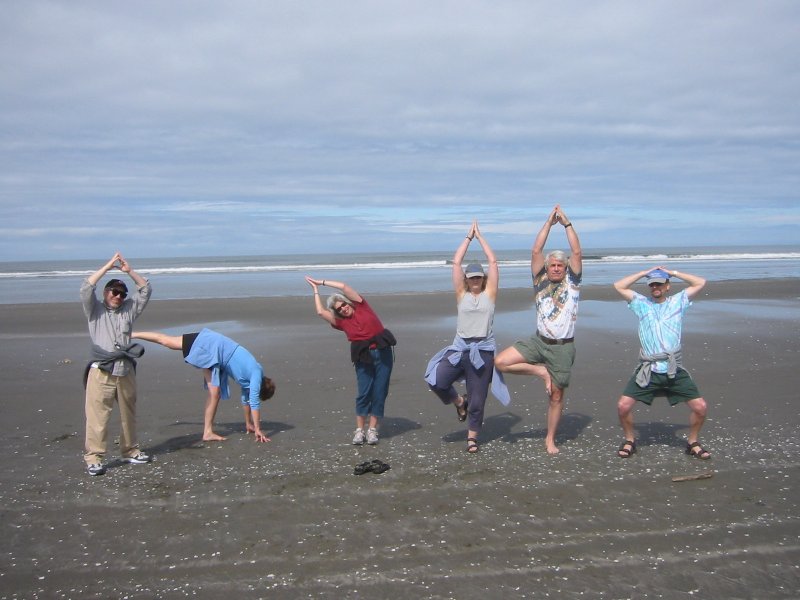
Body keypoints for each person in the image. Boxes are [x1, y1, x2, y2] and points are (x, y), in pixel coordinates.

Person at [494, 205, 582, 454]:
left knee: (556, 396)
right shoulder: (539, 280)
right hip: (538, 342)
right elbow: (535, 250)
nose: (556, 268)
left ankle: (550, 439)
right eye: (552, 265)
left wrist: (567, 223)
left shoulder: (573, 283)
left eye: (560, 265)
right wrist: (548, 223)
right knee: (501, 362)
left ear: (565, 268)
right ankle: (541, 372)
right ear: (547, 266)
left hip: (562, 348)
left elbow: (576, 251)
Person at [424, 221, 509, 453]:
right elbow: (456, 262)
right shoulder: (461, 294)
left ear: (483, 278)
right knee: (437, 381)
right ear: (466, 279)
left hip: (483, 352)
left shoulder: (490, 294)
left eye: (478, 277)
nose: (475, 280)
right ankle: (460, 402)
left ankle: (472, 438)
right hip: (460, 349)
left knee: (478, 400)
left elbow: (493, 262)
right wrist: (468, 238)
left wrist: (481, 237)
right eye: (471, 277)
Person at [612, 267, 711, 460]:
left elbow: (700, 282)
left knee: (700, 407)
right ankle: (630, 440)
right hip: (648, 369)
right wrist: (643, 273)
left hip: (673, 368)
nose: (655, 287)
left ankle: (693, 442)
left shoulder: (678, 302)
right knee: (623, 406)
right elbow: (619, 286)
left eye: (659, 284)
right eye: (652, 284)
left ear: (667, 286)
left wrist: (673, 272)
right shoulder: (641, 304)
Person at [131, 329, 276, 443]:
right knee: (166, 341)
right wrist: (258, 429)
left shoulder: (250, 380)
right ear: (260, 388)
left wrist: (249, 423)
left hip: (212, 344)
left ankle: (132, 334)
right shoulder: (256, 373)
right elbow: (253, 401)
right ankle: (207, 432)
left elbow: (246, 400)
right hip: (211, 346)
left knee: (166, 341)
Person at [80, 252, 153, 476]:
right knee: (97, 416)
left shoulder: (129, 310)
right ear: (106, 292)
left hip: (125, 369)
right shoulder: (95, 310)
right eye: (114, 291)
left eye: (122, 293)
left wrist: (129, 271)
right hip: (101, 370)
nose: (118, 296)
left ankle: (130, 450)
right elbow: (86, 287)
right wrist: (108, 266)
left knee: (128, 413)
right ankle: (94, 457)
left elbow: (145, 290)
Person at [304, 276, 396, 445]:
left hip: (383, 353)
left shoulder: (361, 306)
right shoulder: (341, 323)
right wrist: (315, 291)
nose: (343, 309)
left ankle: (372, 430)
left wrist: (321, 282)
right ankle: (359, 431)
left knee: (380, 391)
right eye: (339, 309)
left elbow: (343, 286)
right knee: (364, 393)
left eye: (344, 305)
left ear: (348, 302)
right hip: (363, 357)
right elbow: (320, 312)